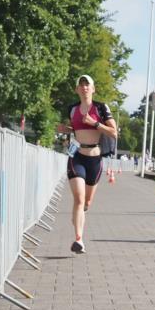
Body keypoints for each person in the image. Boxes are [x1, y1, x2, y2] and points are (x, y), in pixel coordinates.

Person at [55, 74, 117, 253]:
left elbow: (113, 132)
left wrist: (95, 123)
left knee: (87, 202)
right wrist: (65, 129)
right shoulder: (72, 109)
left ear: (93, 88)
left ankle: (80, 214)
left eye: (87, 84)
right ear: (77, 90)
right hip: (77, 156)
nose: (84, 87)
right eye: (81, 85)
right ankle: (78, 240)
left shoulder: (101, 107)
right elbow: (76, 129)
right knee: (79, 198)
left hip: (95, 159)